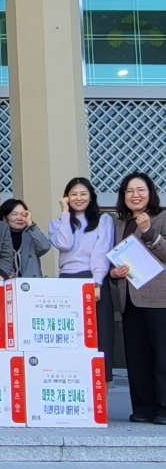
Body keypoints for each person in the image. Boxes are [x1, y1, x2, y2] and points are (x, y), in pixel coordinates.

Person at [110, 172, 166, 424]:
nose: (135, 195)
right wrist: (113, 273)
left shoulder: (162, 217)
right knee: (136, 356)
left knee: (162, 354)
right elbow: (114, 257)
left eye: (140, 190)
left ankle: (163, 408)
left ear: (150, 193)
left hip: (158, 298)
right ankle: (142, 408)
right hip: (129, 298)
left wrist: (149, 231)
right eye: (129, 191)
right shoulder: (120, 224)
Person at [48, 177, 114, 384]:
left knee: (101, 338)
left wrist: (97, 282)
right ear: (66, 197)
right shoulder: (57, 223)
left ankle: (102, 395)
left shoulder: (104, 221)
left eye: (83, 194)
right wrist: (65, 213)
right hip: (67, 281)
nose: (79, 198)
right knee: (71, 336)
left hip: (92, 279)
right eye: (73, 194)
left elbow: (101, 253)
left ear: (91, 197)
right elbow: (64, 244)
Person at [0, 198, 51, 278]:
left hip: (31, 283)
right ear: (5, 218)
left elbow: (45, 247)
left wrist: (30, 224)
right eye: (15, 214)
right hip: (6, 281)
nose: (20, 218)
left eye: (23, 214)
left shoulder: (31, 234)